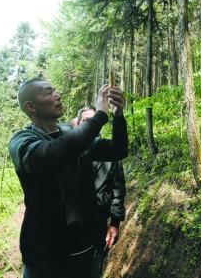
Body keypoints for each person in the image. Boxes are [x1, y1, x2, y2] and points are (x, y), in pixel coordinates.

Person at [8, 78, 128, 278]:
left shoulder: (72, 133)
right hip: (45, 258)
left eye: (55, 90)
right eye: (48, 92)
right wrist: (99, 115)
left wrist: (118, 116)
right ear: (31, 106)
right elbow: (53, 154)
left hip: (86, 249)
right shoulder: (22, 141)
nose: (57, 95)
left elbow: (118, 150)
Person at [76, 107, 126, 277]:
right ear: (78, 124)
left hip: (98, 224)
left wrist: (115, 222)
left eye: (94, 120)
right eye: (86, 121)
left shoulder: (109, 150)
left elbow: (118, 189)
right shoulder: (70, 149)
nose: (91, 124)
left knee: (95, 267)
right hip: (72, 226)